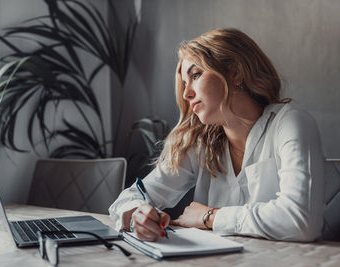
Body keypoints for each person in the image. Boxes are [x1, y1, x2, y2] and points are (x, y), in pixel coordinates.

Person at [109, 28, 324, 242]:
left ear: (236, 73)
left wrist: (210, 217)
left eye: (195, 75)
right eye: (185, 83)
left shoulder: (291, 123)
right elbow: (127, 199)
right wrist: (139, 214)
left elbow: (301, 221)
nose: (186, 94)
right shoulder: (199, 142)